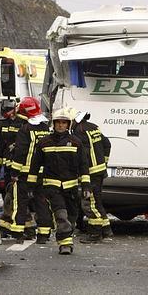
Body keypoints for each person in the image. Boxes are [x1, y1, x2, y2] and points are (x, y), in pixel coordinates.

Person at [30, 107, 90, 255]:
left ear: (68, 125)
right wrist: (30, 186)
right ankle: (65, 244)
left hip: (71, 188)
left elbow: (84, 165)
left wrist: (86, 185)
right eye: (58, 123)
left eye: (64, 123)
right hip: (52, 186)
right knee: (61, 215)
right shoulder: (44, 143)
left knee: (71, 217)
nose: (61, 125)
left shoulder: (76, 143)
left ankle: (66, 239)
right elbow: (35, 165)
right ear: (54, 124)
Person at [7, 97, 52, 241]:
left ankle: (18, 233)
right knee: (42, 203)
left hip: (25, 174)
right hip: (42, 174)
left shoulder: (25, 129)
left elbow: (21, 152)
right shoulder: (46, 129)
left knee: (21, 202)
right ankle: (44, 235)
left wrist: (14, 172)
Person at [71, 110, 113, 243]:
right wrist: (104, 162)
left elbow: (82, 154)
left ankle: (95, 234)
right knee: (97, 201)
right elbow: (107, 144)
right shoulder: (93, 127)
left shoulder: (79, 131)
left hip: (90, 172)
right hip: (100, 171)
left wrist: (80, 171)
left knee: (89, 203)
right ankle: (106, 230)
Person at [0, 99, 26, 238]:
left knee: (13, 197)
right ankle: (21, 226)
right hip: (8, 166)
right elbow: (0, 145)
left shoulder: (23, 123)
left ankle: (6, 226)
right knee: (9, 195)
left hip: (19, 166)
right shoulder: (3, 124)